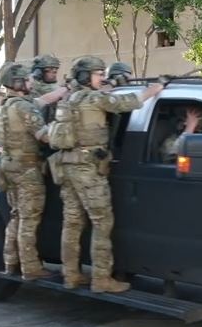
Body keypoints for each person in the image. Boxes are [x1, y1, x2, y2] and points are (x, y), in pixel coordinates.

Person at [58, 56, 163, 293]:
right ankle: (101, 278)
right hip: (88, 169)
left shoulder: (70, 99)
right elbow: (124, 102)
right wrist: (153, 90)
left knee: (72, 224)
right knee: (102, 222)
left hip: (69, 166)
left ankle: (71, 275)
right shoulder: (95, 98)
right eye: (97, 74)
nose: (102, 78)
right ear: (85, 76)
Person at [0, 62, 54, 280]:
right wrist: (65, 129)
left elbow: (43, 100)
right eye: (28, 80)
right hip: (27, 169)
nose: (32, 83)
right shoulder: (24, 107)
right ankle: (31, 268)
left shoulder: (3, 106)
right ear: (18, 82)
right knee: (29, 219)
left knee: (16, 216)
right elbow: (45, 136)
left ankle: (11, 262)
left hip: (9, 166)